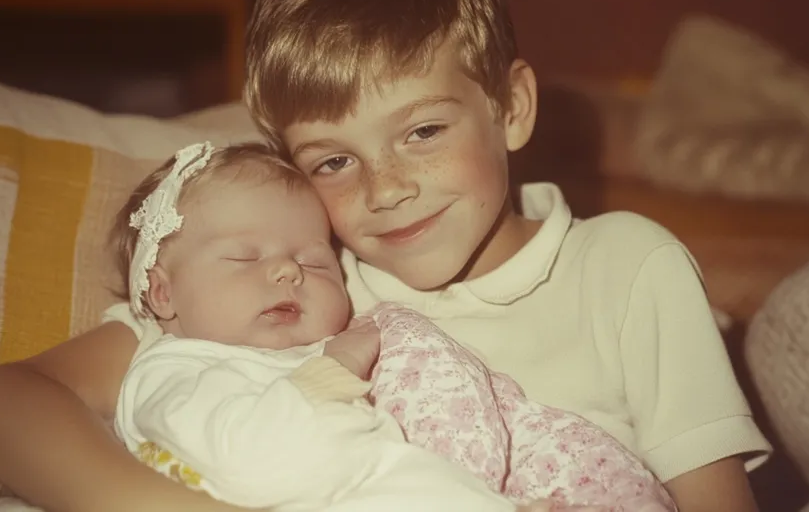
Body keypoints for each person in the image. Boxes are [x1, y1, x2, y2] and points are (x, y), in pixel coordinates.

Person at [0, 0, 771, 511]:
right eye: (333, 162)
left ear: (511, 108)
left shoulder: (629, 267)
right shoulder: (304, 285)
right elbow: (7, 402)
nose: (385, 190)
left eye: (422, 132)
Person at [105, 140, 537, 512]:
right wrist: (335, 367)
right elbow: (256, 460)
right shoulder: (170, 375)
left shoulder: (309, 348)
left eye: (314, 262)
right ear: (163, 294)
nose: (287, 272)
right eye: (244, 257)